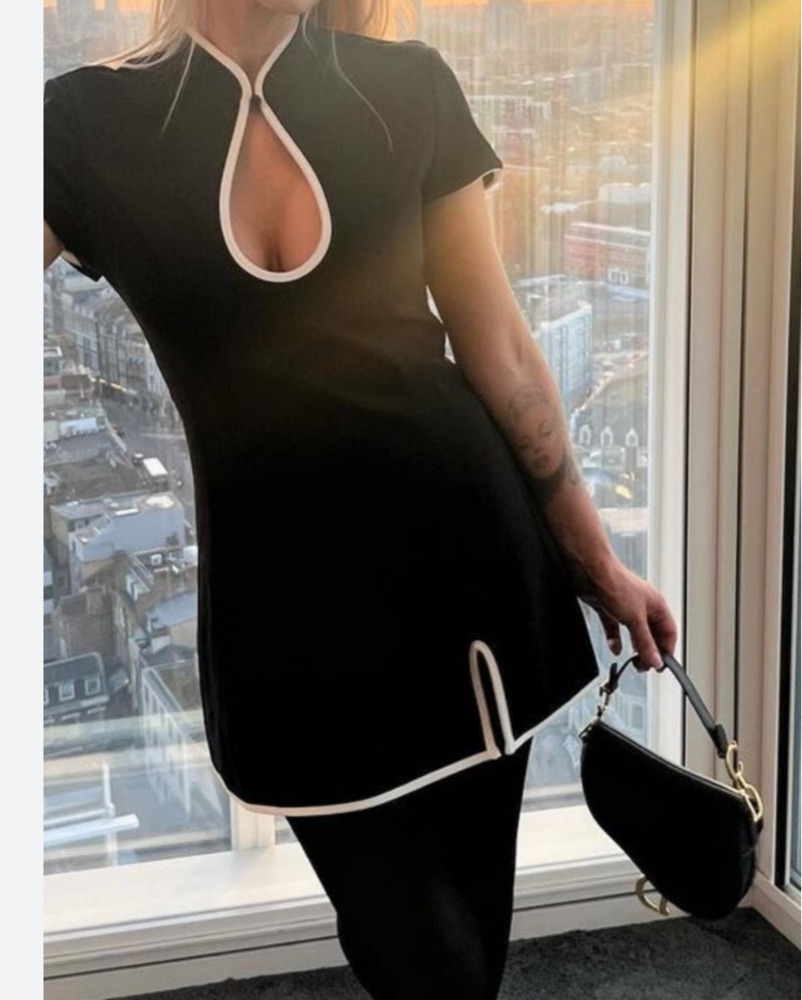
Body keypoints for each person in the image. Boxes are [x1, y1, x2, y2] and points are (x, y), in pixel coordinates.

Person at [44, 1, 678, 997]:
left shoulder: (407, 87)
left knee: (465, 941)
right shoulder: (77, 125)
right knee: (411, 948)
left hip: (471, 577)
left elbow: (504, 354)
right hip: (288, 627)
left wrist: (598, 566)